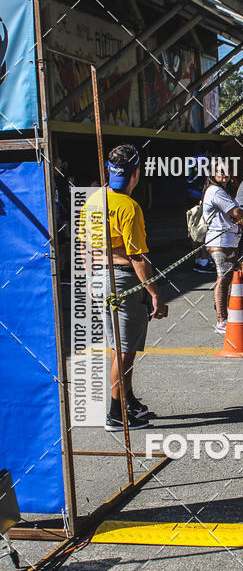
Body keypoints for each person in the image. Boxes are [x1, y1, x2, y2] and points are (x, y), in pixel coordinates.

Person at [82, 143, 167, 431]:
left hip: (105, 279)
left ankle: (127, 400)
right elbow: (136, 258)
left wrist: (92, 278)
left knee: (123, 347)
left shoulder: (92, 200)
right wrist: (156, 294)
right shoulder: (129, 208)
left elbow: (85, 246)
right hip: (123, 279)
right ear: (136, 174)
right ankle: (116, 413)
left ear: (109, 170)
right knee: (123, 350)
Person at [203, 168, 243, 333]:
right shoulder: (215, 191)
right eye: (220, 171)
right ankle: (221, 320)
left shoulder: (221, 190)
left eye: (228, 170)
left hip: (227, 240)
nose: (225, 174)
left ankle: (224, 316)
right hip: (221, 241)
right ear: (213, 174)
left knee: (225, 278)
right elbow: (236, 212)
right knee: (223, 279)